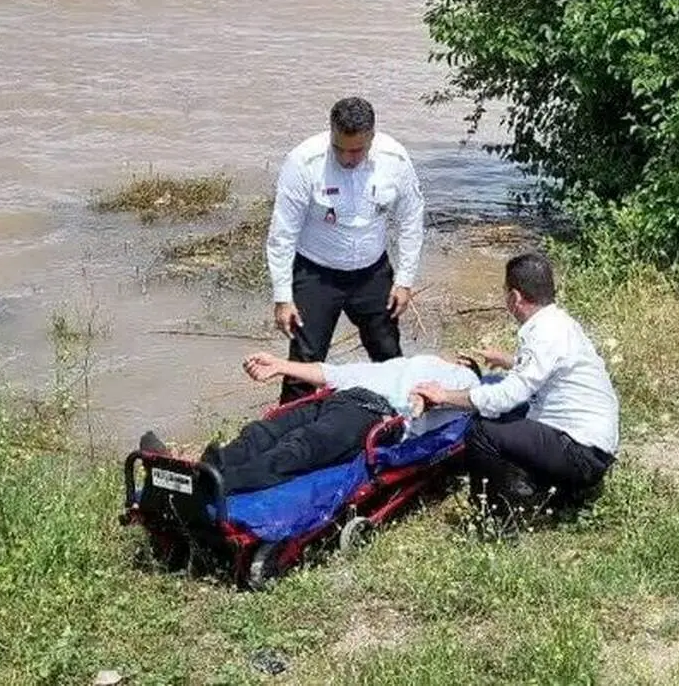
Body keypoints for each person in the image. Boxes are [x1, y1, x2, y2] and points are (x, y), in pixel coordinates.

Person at [410, 252, 619, 519]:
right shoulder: (558, 322)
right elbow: (548, 368)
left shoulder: (544, 333)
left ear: (515, 297)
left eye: (505, 291)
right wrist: (509, 361)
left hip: (582, 454)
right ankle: (547, 489)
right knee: (505, 416)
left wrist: (443, 396)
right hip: (592, 444)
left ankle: (496, 518)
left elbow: (506, 396)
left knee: (482, 431)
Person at [266, 96, 425, 404]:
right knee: (303, 363)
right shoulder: (304, 162)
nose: (348, 158)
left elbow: (410, 219)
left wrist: (404, 280)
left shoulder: (395, 159)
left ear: (372, 138)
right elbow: (282, 234)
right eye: (340, 148)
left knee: (389, 354)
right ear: (331, 133)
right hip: (316, 274)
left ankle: (399, 422)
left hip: (372, 274)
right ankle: (288, 431)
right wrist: (283, 297)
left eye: (357, 150)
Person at [139, 352, 478, 495]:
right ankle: (201, 469)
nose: (457, 353)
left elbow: (454, 399)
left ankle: (209, 485)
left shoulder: (463, 377)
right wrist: (280, 365)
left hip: (373, 412)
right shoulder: (403, 363)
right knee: (262, 431)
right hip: (337, 397)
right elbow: (330, 373)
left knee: (300, 447)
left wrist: (422, 402)